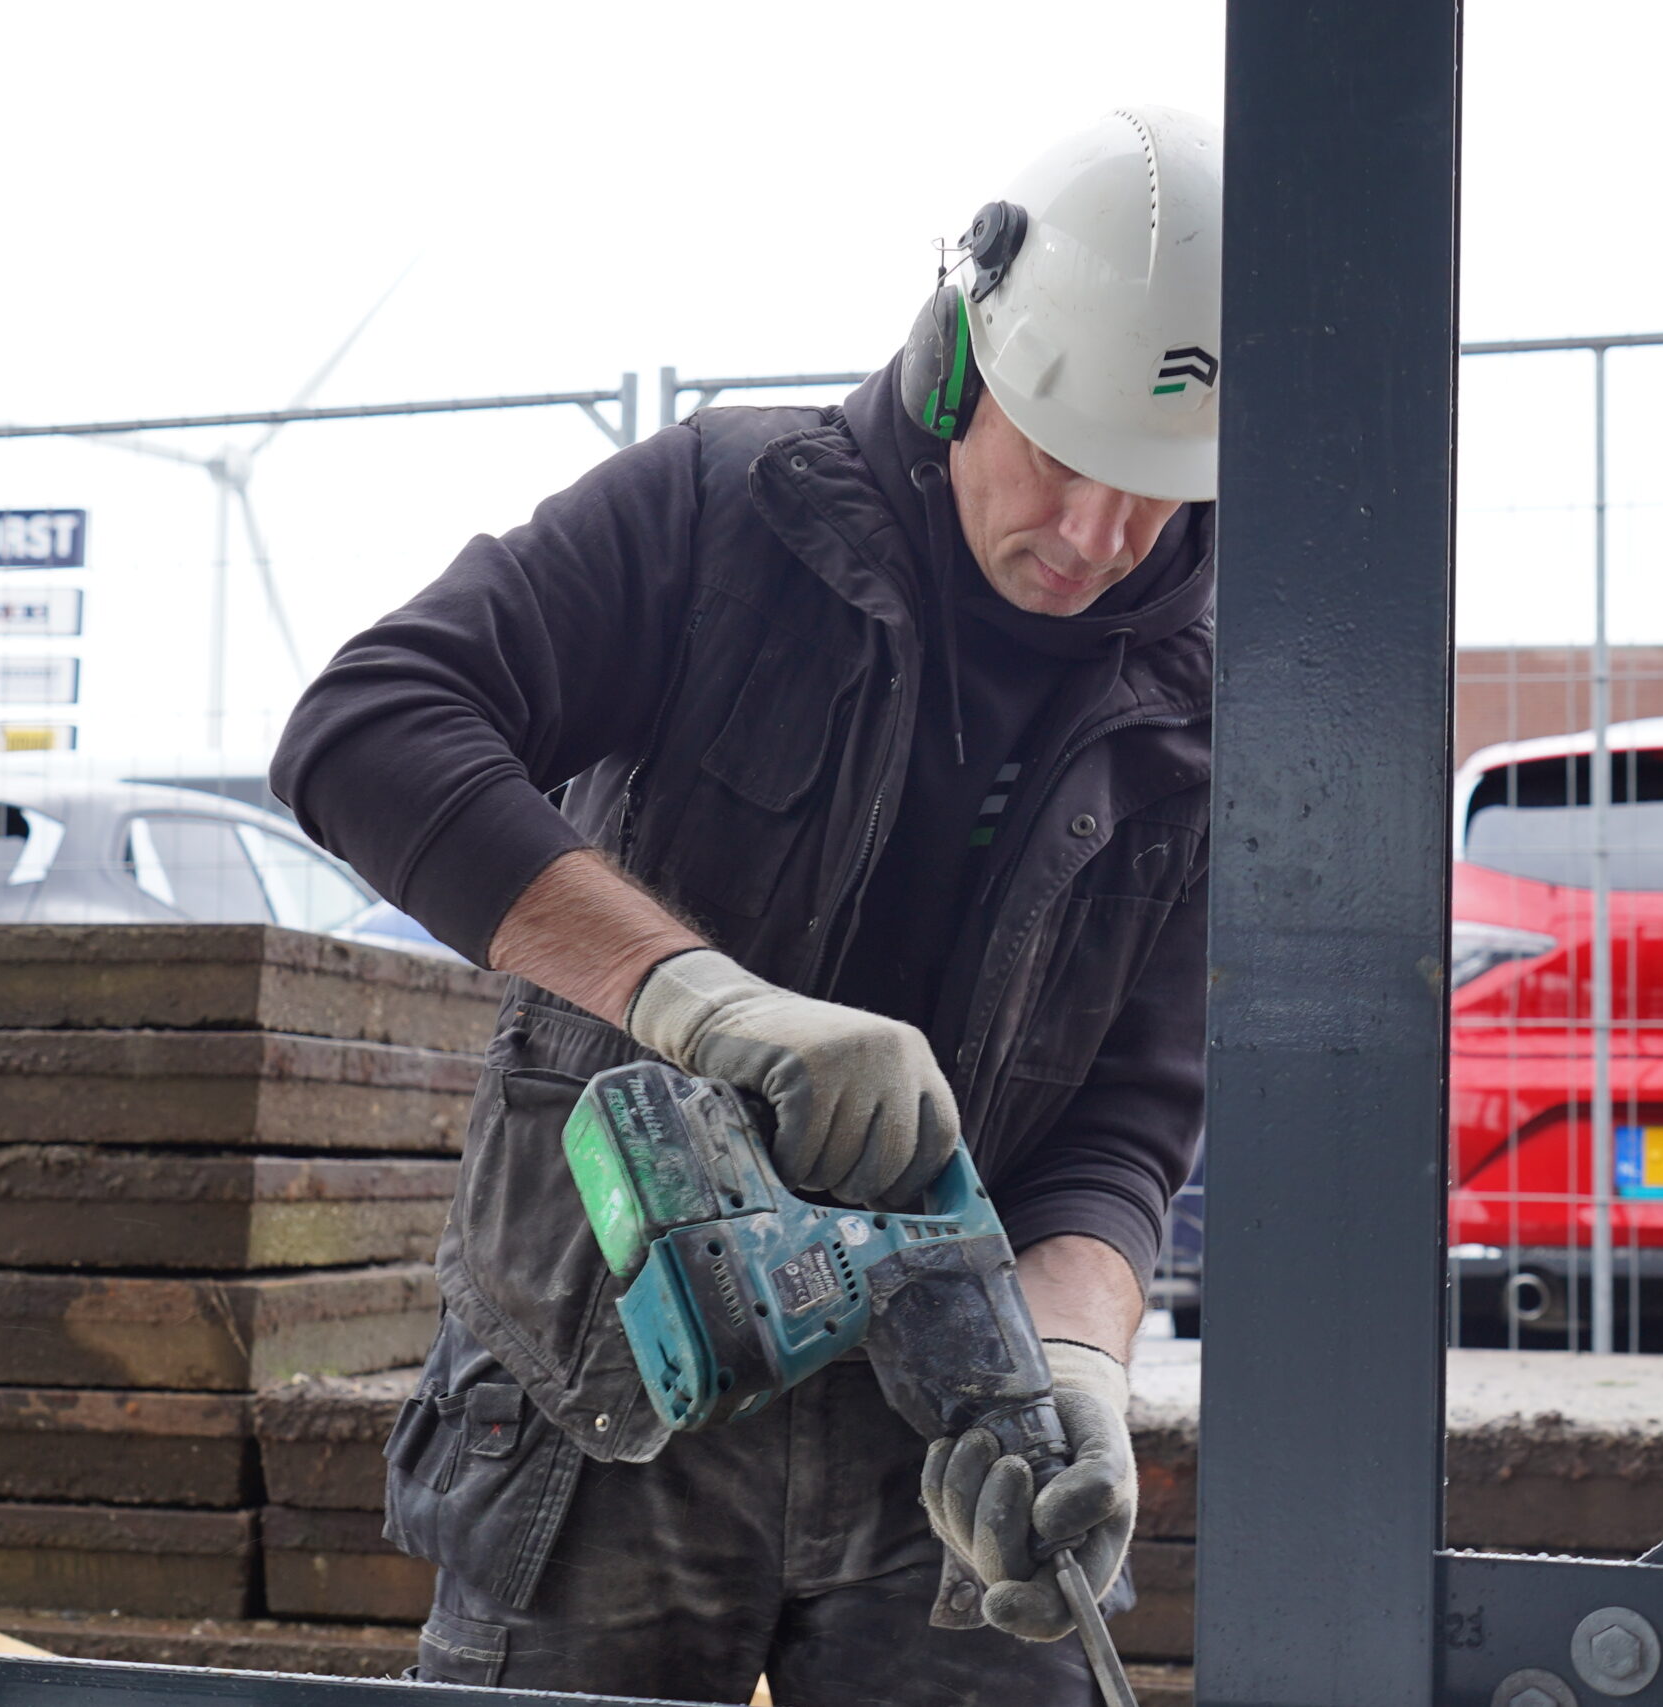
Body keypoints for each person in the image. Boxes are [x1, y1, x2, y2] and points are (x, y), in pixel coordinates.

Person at [272, 106, 1221, 1707]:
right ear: (957, 362)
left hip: (947, 1453)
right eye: (1062, 458)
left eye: (1154, 496)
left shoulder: (1203, 708)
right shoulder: (726, 514)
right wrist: (697, 999)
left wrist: (1071, 1359)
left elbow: (1127, 1118)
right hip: (608, 1396)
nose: (1095, 539)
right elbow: (367, 729)